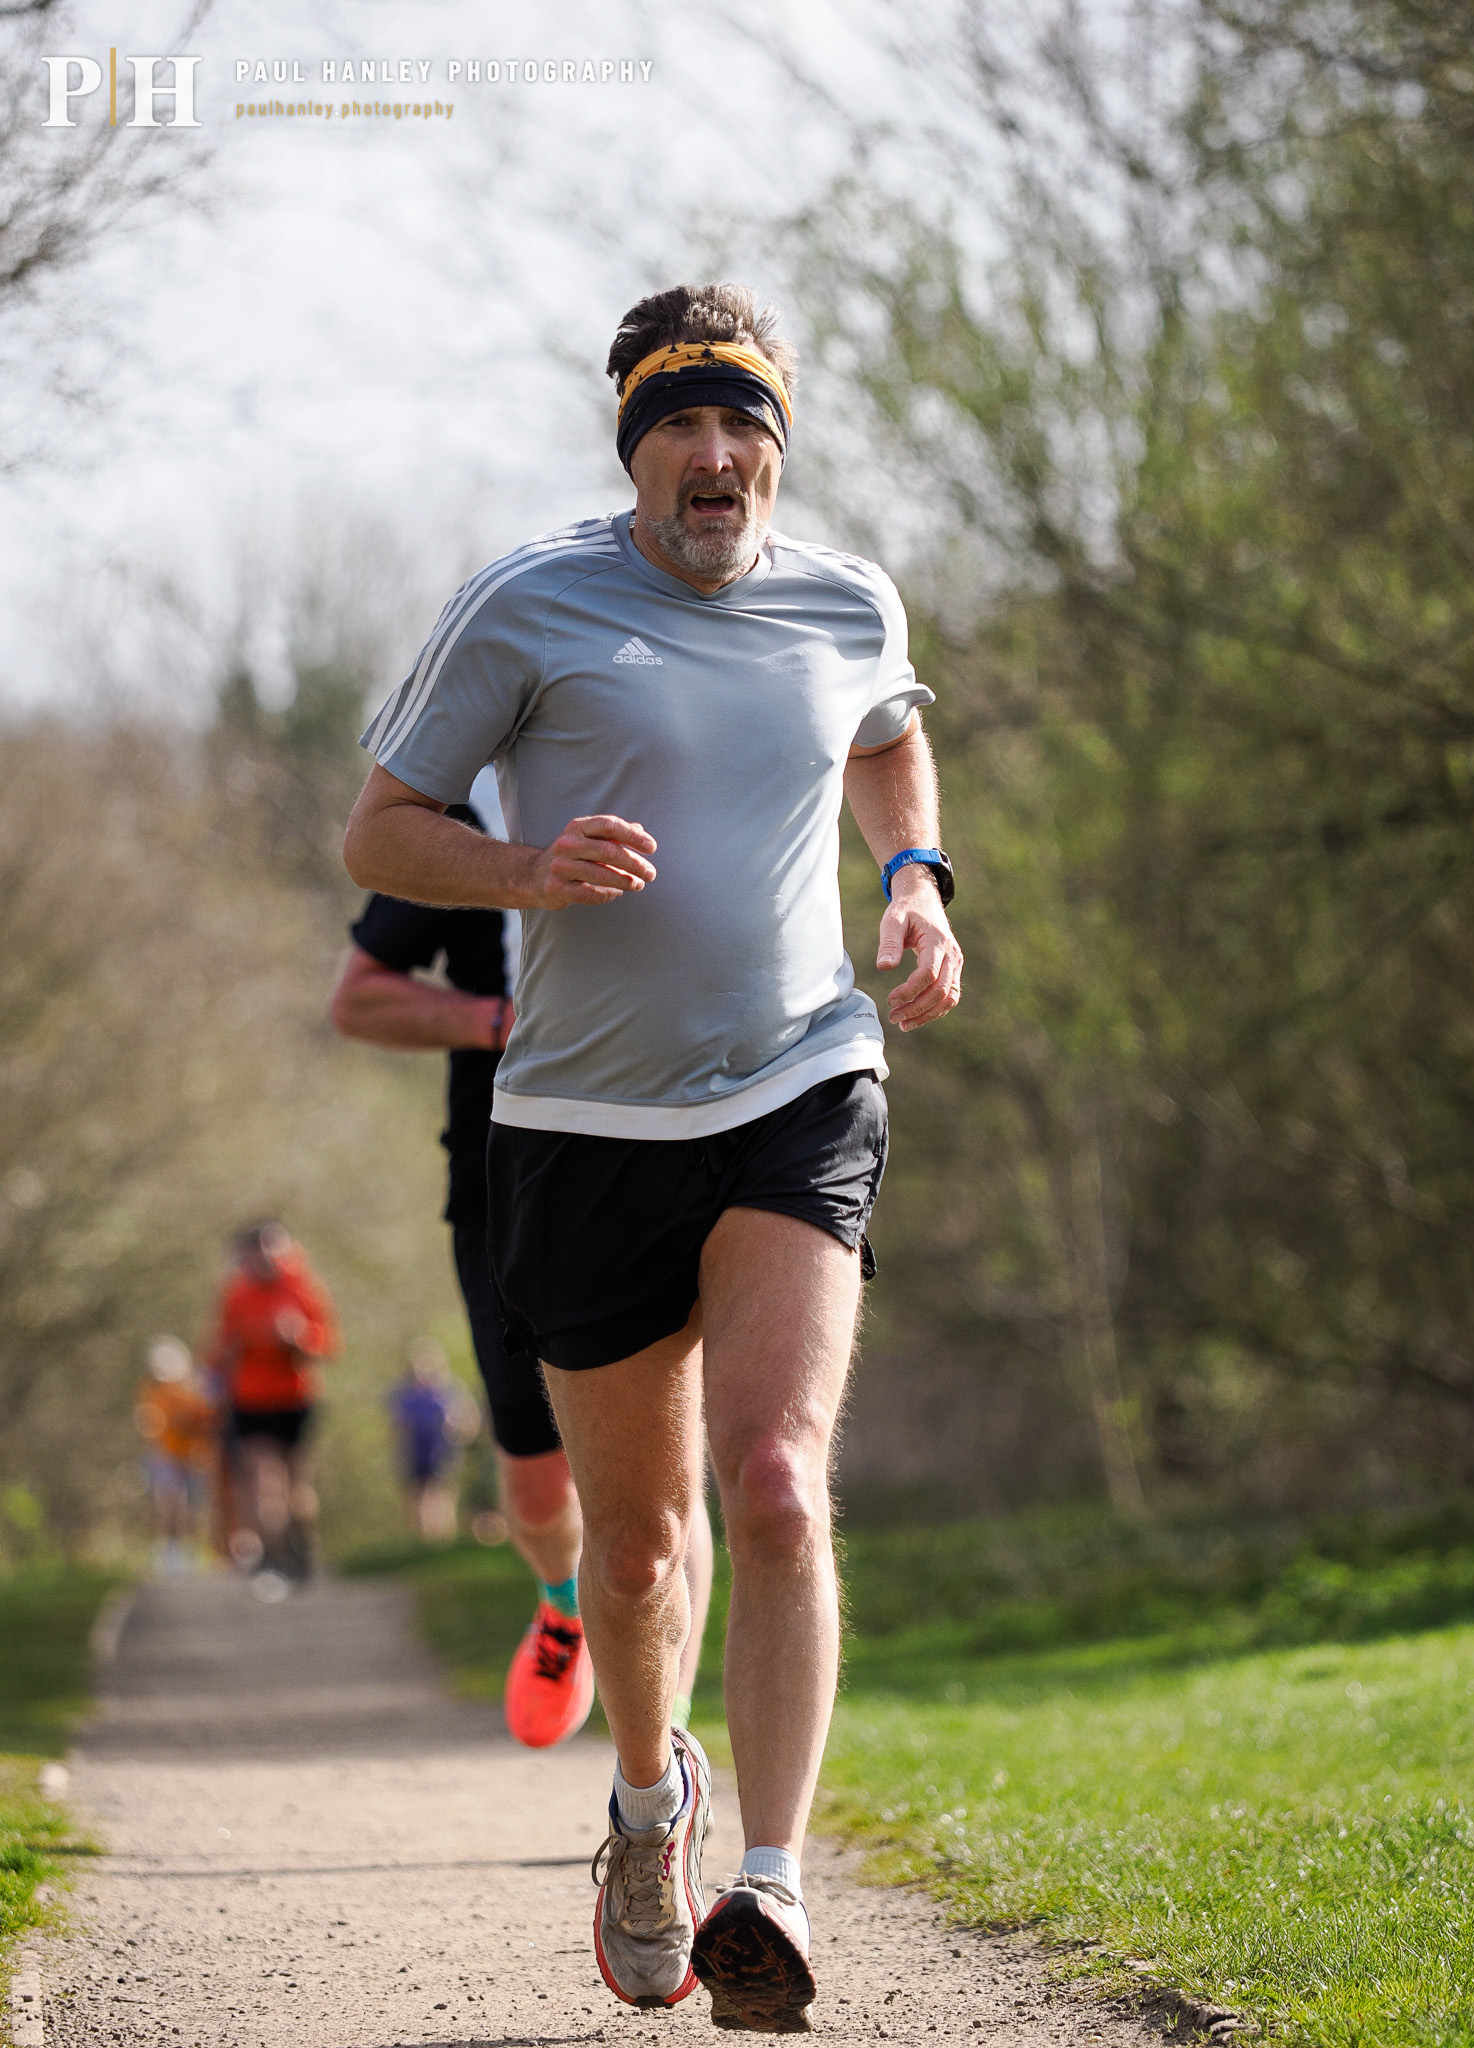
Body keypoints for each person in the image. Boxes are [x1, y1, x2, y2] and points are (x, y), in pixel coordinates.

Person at [342, 281, 962, 2031]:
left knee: (773, 1483)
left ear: (776, 444)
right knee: (632, 1553)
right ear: (635, 450)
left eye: (740, 424)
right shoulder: (526, 602)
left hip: (797, 1079)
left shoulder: (847, 599)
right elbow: (377, 827)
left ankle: (768, 1883)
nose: (714, 454)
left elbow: (891, 734)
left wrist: (915, 881)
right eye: (678, 426)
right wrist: (522, 874)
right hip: (582, 1123)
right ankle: (645, 1807)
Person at [331, 813, 715, 1748]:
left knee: (668, 1475)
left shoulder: (671, 787)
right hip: (504, 1186)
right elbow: (358, 1000)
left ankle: (663, 1751)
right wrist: (496, 1019)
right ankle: (561, 1604)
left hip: (665, 1156)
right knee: (541, 1495)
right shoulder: (465, 830)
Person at [203, 1221, 340, 1590]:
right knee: (264, 1479)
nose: (264, 1255)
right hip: (250, 1400)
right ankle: (274, 1555)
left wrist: (298, 1339)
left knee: (296, 1479)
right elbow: (219, 1348)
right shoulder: (236, 1292)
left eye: (271, 1246)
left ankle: (300, 1545)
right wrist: (237, 1346)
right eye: (257, 1248)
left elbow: (329, 1346)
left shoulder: (304, 1286)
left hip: (295, 1397)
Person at [133, 1335, 216, 1575]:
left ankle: (191, 1548)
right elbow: (148, 1424)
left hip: (194, 1455)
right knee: (168, 1502)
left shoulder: (195, 1389)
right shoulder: (150, 1391)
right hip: (165, 1456)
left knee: (195, 1506)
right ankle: (171, 1549)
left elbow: (207, 1421)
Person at [388, 1339, 481, 1543]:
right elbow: (396, 1423)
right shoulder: (404, 1392)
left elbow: (470, 1418)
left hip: (443, 1450)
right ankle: (421, 1540)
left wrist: (459, 1430)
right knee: (416, 1494)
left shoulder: (450, 1389)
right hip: (414, 1452)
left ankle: (441, 1539)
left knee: (440, 1493)